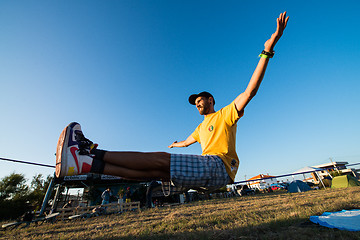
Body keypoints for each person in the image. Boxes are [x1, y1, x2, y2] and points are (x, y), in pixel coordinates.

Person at [55, 12, 289, 191]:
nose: (197, 104)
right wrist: (176, 144)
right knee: (153, 170)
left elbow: (250, 92)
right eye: (195, 103)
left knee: (159, 160)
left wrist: (267, 50)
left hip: (220, 165)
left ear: (210, 100)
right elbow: (187, 142)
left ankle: (90, 151)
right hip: (210, 169)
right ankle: (86, 165)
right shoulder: (200, 128)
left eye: (200, 100)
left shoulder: (225, 114)